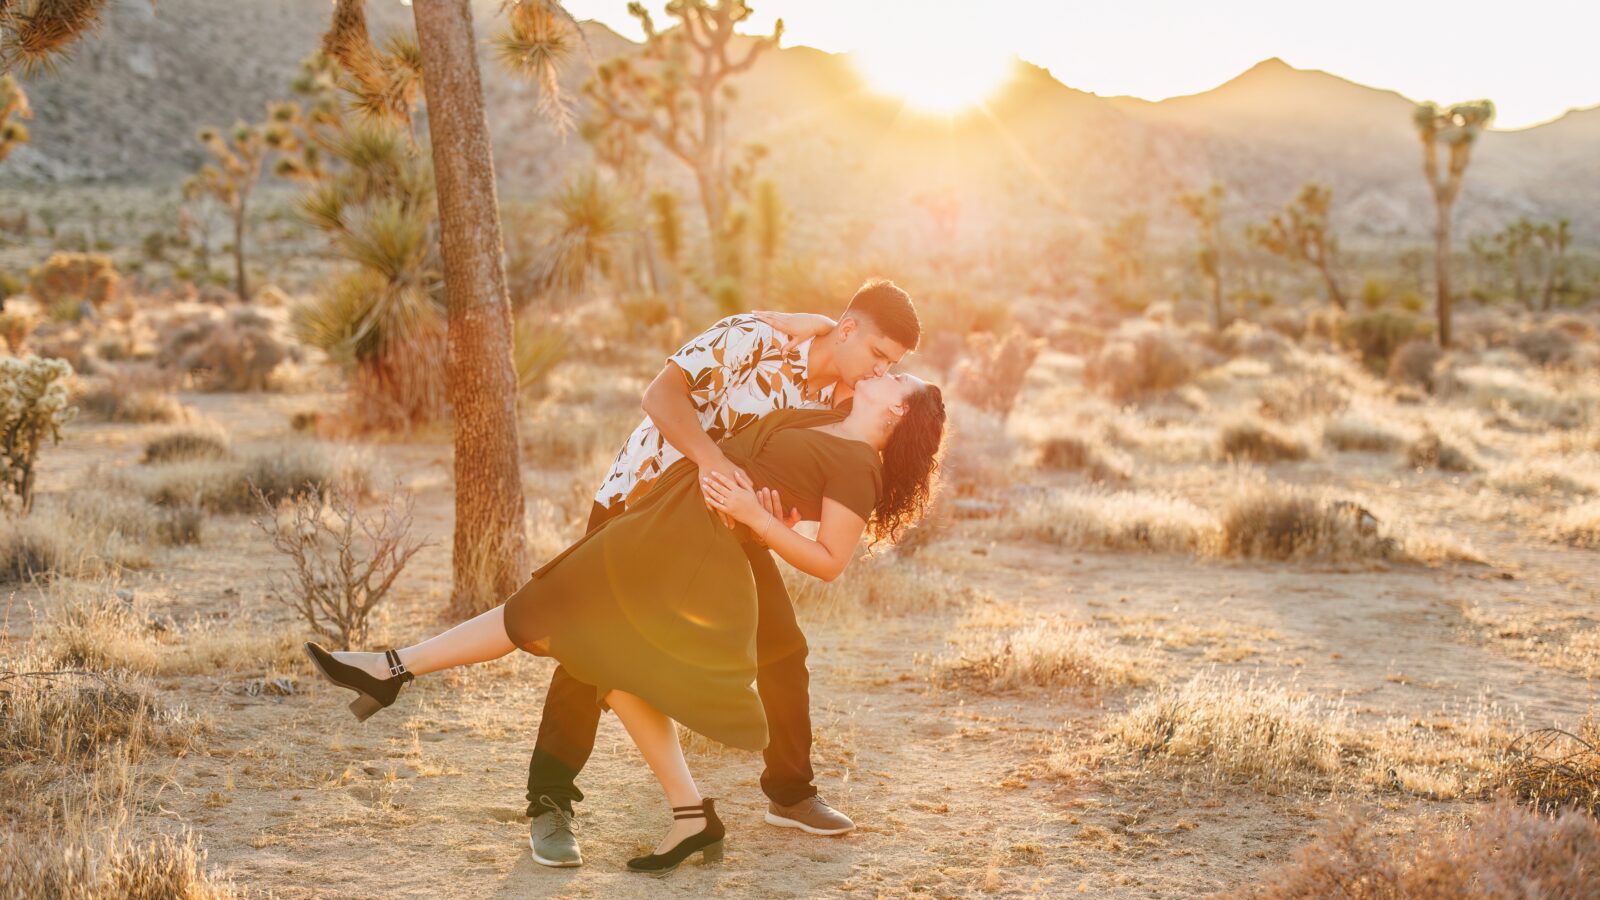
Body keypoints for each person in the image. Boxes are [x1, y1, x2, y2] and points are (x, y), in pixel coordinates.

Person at [304, 370, 947, 874]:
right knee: (600, 661)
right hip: (663, 522)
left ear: (897, 412)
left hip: (692, 553)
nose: (888, 372)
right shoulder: (824, 417)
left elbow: (831, 562)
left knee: (543, 614)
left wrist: (759, 519)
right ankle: (691, 816)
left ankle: (389, 669)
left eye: (899, 379)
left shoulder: (860, 465)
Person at [518, 279, 922, 867]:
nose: (877, 371)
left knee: (782, 648)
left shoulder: (839, 402)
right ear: (849, 328)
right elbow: (660, 397)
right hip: (641, 504)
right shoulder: (753, 337)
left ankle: (790, 792)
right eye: (879, 355)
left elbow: (808, 478)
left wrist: (775, 514)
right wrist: (718, 465)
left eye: (892, 366)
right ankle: (549, 802)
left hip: (729, 530)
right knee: (587, 650)